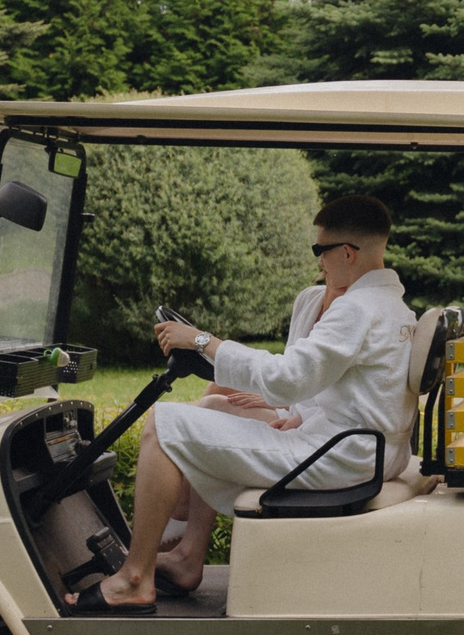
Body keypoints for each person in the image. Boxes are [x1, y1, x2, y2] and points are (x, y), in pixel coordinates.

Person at [68, 195, 414, 613]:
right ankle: (186, 558)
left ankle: (133, 579)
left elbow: (289, 378)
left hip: (338, 455)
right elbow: (357, 390)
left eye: (319, 250)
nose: (318, 262)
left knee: (163, 422)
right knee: (210, 411)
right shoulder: (388, 306)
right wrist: (300, 414)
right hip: (353, 445)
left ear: (346, 252)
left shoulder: (358, 309)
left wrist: (202, 341)